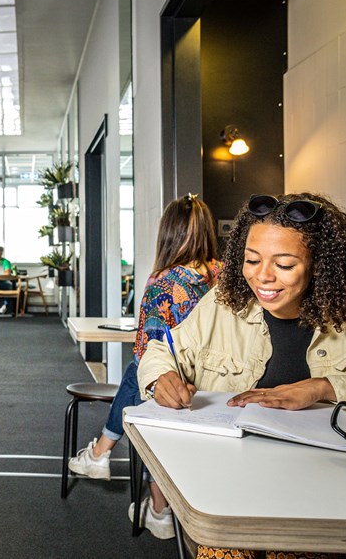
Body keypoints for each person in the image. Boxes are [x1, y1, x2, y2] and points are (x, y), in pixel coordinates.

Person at [138, 193, 346, 559]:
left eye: (283, 264)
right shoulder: (223, 303)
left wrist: (324, 387)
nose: (262, 276)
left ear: (321, 265)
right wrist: (161, 378)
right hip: (232, 483)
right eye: (252, 260)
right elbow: (161, 351)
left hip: (329, 490)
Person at [68, 193, 221, 540]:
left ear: (168, 233)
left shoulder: (164, 282)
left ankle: (107, 456)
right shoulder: (221, 274)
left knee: (139, 381)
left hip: (175, 385)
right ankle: (151, 504)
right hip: (214, 384)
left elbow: (148, 351)